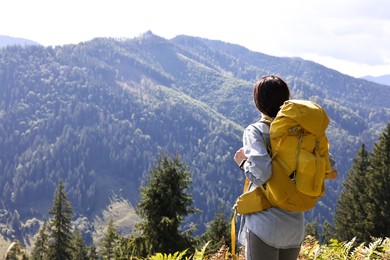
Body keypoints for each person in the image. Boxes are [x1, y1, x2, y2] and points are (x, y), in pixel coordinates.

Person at [233, 75, 337, 259]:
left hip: (264, 224)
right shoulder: (303, 131)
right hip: (294, 225)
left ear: (258, 102)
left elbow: (262, 174)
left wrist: (243, 162)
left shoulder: (256, 130)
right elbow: (329, 169)